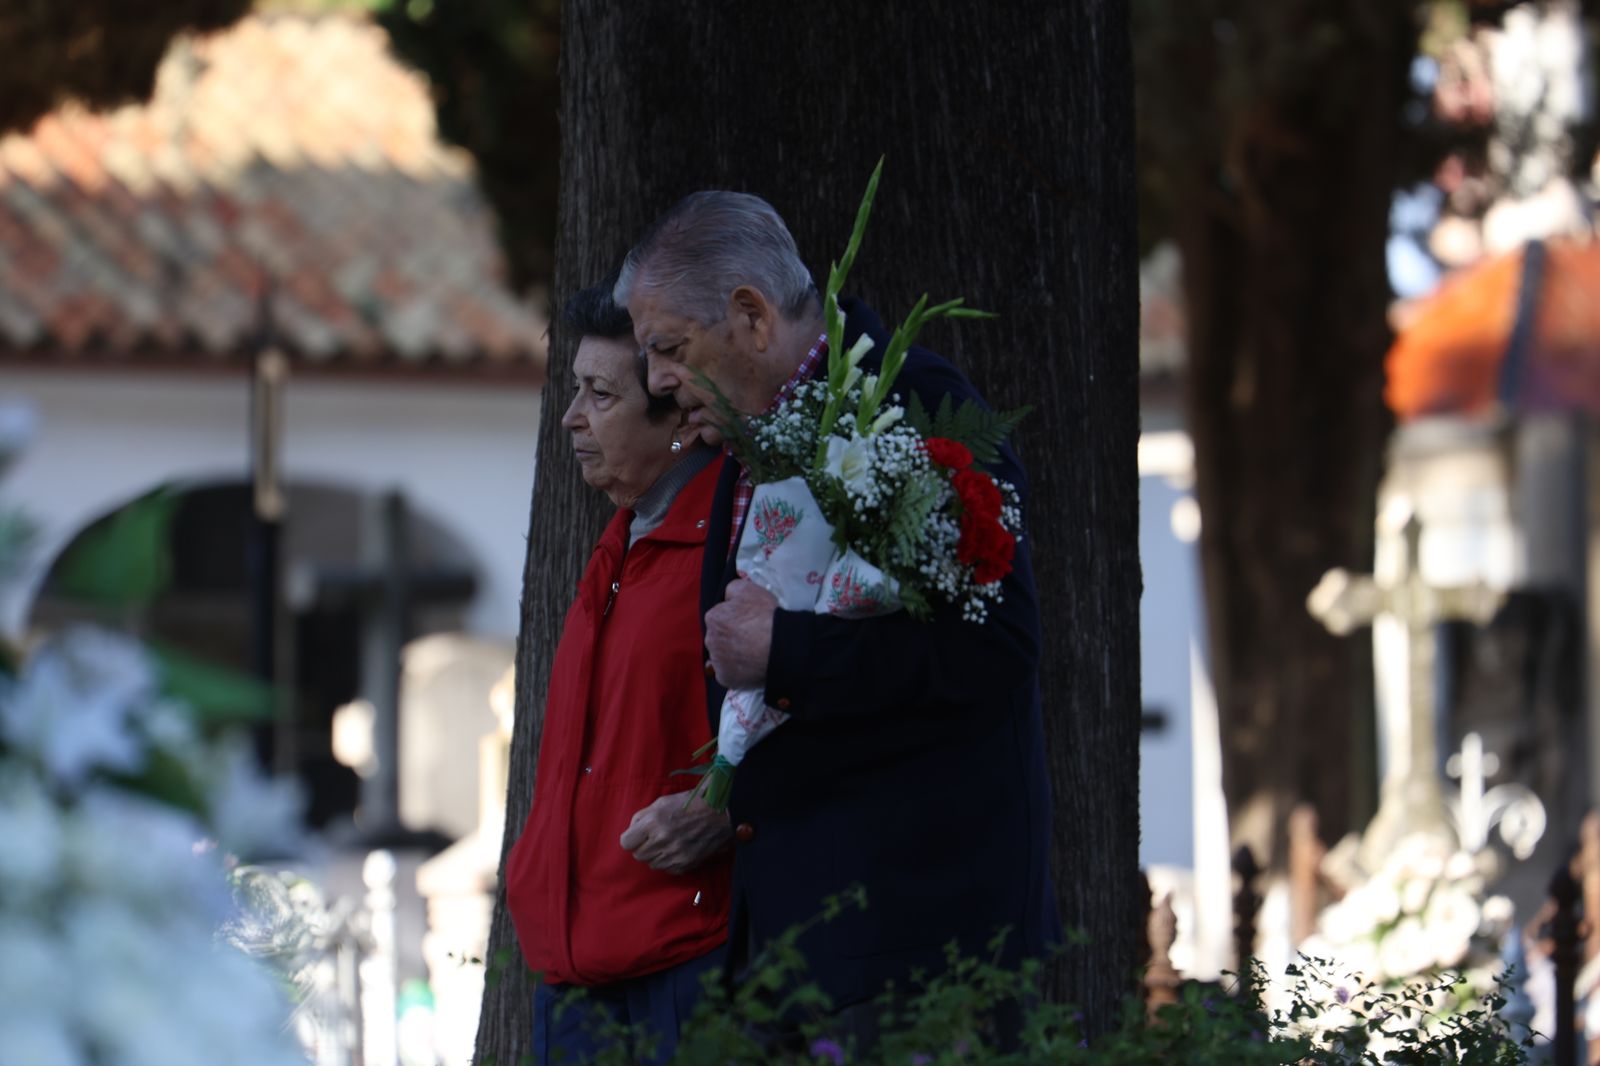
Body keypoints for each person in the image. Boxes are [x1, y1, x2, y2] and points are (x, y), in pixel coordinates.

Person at [615, 193, 1060, 1028]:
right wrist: (726, 799)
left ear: (751, 316)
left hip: (917, 955)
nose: (657, 382)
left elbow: (998, 647)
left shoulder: (909, 403)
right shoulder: (752, 435)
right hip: (797, 956)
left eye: (669, 349)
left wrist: (784, 650)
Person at [505, 278, 732, 1066]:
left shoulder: (736, 545)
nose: (572, 417)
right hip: (571, 963)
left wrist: (728, 810)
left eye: (600, 395)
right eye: (575, 390)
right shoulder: (620, 543)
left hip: (682, 956)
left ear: (681, 416)